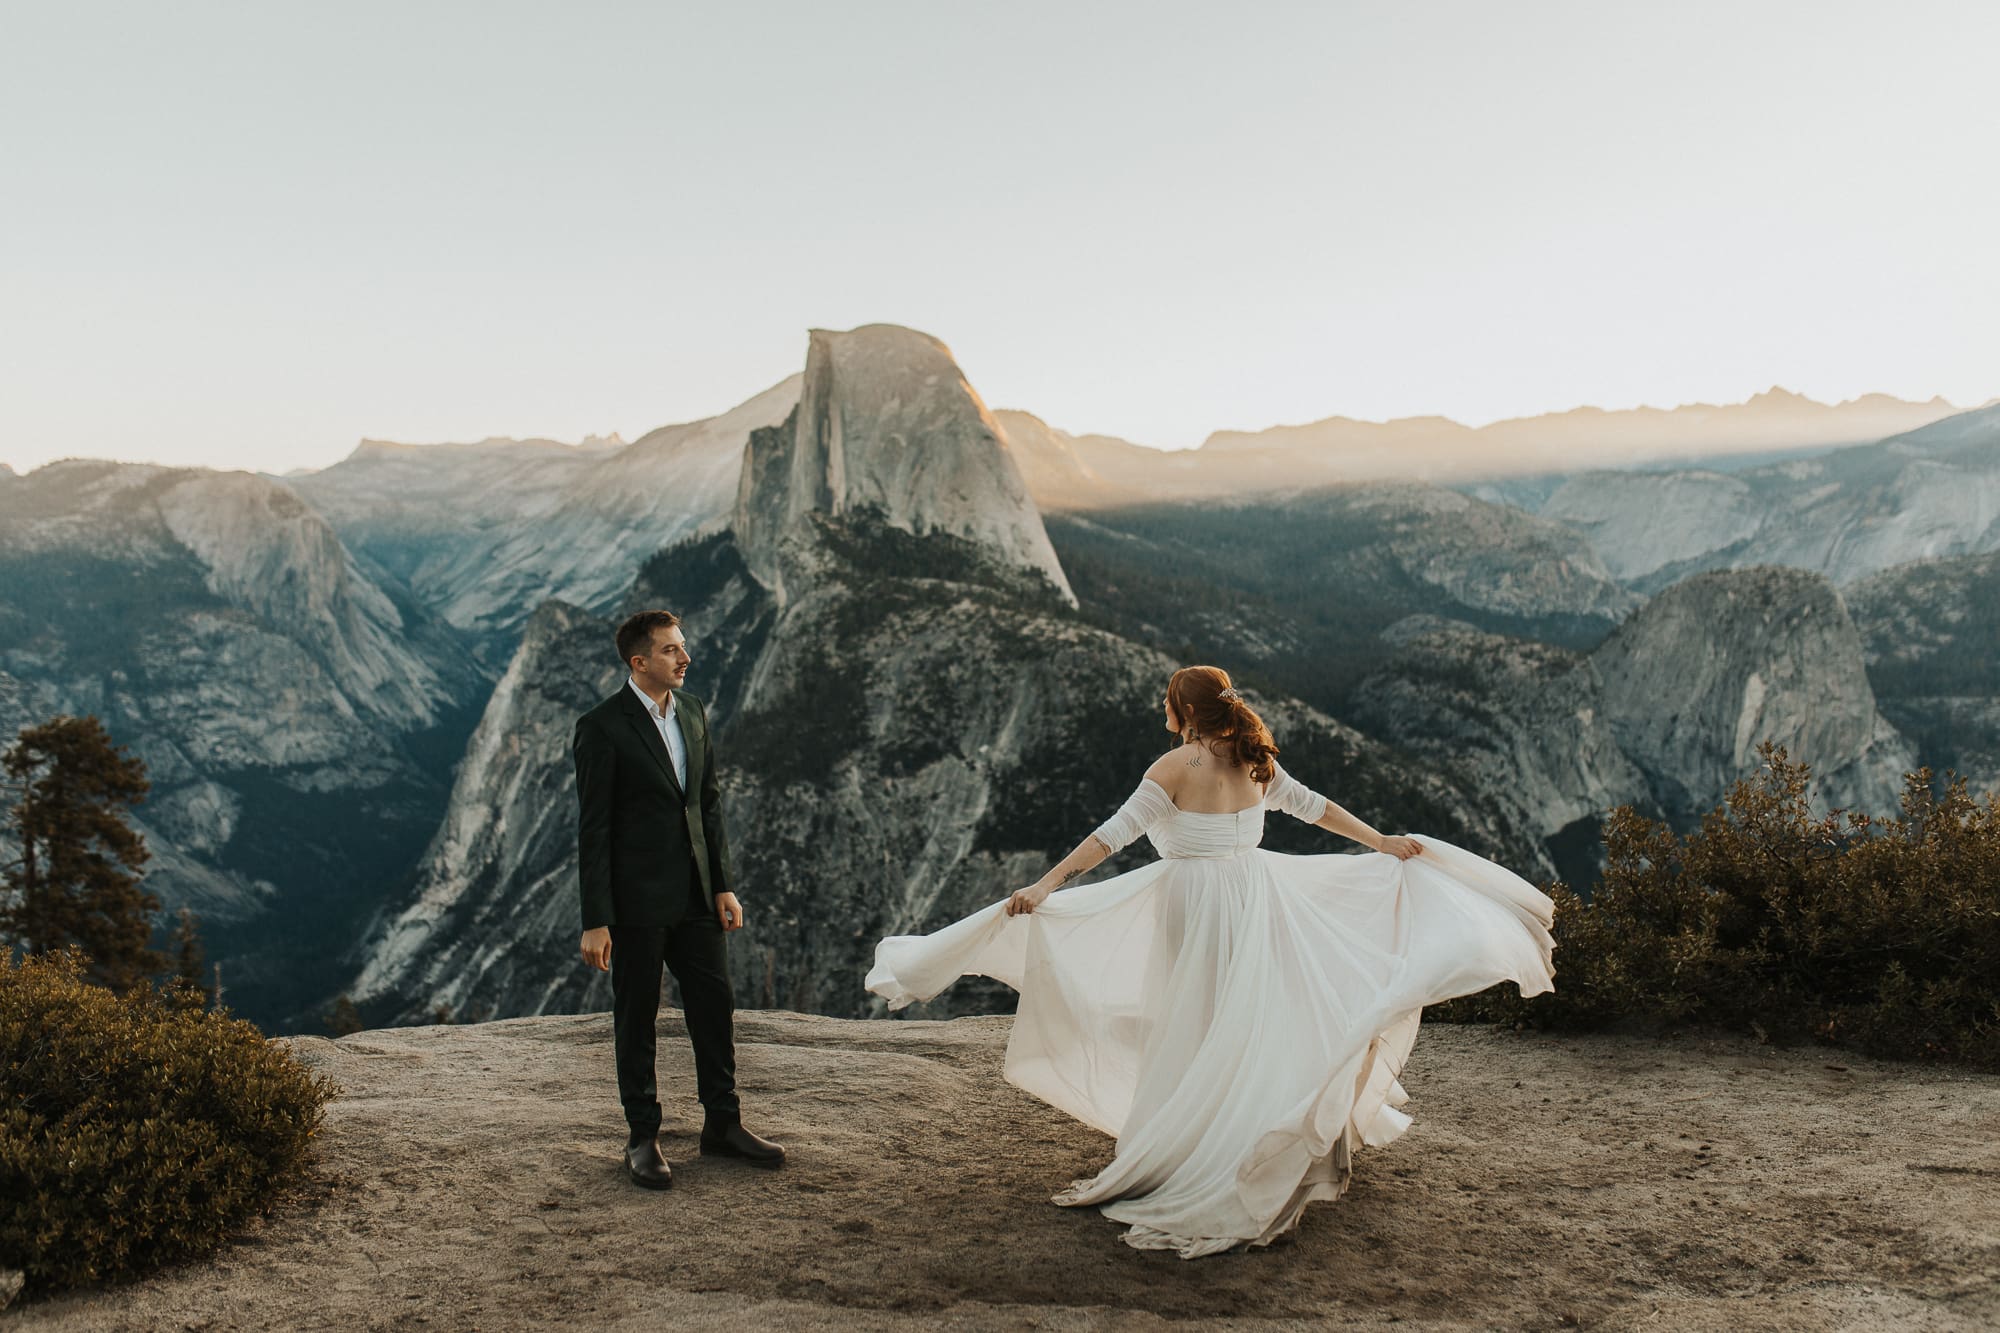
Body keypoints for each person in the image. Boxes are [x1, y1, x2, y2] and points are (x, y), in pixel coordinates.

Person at [865, 665, 1555, 1257]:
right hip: (1253, 896)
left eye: (1167, 703)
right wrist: (1380, 841)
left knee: (1193, 1022)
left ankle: (1196, 1150)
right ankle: (1250, 1136)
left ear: (1182, 712)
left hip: (1193, 904)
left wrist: (1047, 884)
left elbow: (1110, 837)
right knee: (1248, 1019)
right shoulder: (1255, 757)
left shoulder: (1174, 767)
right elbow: (1317, 810)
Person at [572, 609, 784, 1189]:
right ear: (639, 662)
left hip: (695, 897)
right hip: (637, 904)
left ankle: (724, 1123)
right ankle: (643, 1136)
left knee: (714, 1008)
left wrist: (722, 884)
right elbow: (593, 830)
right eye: (671, 650)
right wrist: (597, 919)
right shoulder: (602, 727)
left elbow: (707, 803)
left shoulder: (691, 711)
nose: (685, 658)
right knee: (637, 1018)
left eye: (682, 647)